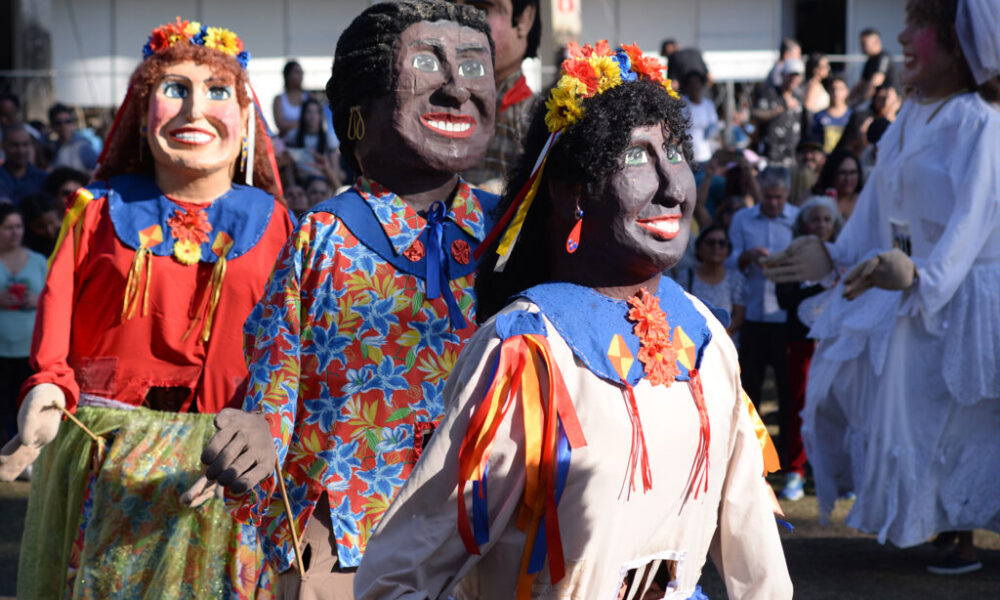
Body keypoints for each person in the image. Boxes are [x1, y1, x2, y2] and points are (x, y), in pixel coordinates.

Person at [353, 40, 791, 599]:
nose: (672, 186)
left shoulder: (702, 334)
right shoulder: (527, 351)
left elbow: (750, 534)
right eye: (635, 157)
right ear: (570, 191)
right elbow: (406, 565)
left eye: (675, 152)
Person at [194, 3, 498, 597]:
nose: (458, 88)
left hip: (480, 526)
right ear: (360, 110)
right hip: (348, 533)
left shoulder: (508, 237)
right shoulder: (325, 235)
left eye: (473, 66)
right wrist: (258, 432)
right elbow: (276, 375)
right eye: (426, 63)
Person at [0, 18, 295, 599]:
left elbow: (287, 347)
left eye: (217, 92)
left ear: (246, 121)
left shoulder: (277, 224)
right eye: (174, 89)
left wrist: (261, 430)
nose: (194, 109)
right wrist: (48, 389)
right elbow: (56, 319)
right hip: (110, 462)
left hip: (224, 466)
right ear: (142, 112)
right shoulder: (94, 211)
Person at [765, 0, 1000, 575]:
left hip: (962, 293)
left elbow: (975, 216)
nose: (903, 36)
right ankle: (939, 520)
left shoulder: (979, 121)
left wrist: (926, 274)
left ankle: (965, 530)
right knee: (916, 412)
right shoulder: (909, 122)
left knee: (963, 413)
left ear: (957, 46)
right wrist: (833, 255)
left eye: (920, 27)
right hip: (909, 291)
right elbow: (876, 210)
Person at [726, 166, 797, 455]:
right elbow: (728, 262)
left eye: (779, 197)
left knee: (788, 391)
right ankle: (752, 454)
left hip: (785, 317)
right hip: (752, 315)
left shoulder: (796, 219)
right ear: (760, 194)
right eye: (768, 197)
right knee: (750, 390)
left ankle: (788, 457)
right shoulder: (743, 219)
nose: (773, 203)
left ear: (787, 195)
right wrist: (746, 256)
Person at [774, 195, 841, 502]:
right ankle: (795, 471)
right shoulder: (792, 255)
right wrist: (821, 288)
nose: (822, 225)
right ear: (803, 223)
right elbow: (786, 299)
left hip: (835, 342)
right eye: (815, 219)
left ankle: (837, 473)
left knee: (838, 406)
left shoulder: (843, 256)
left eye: (827, 219)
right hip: (800, 341)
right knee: (801, 404)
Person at [454, 0, 541, 192]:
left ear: (525, 19)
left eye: (480, 9)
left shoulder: (542, 121)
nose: (460, 22)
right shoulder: (435, 105)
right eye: (452, 8)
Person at [0, 204, 46, 446]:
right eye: (8, 227)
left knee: (26, 408)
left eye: (18, 226)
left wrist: (37, 299)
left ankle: (25, 456)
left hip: (29, 350)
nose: (15, 232)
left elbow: (54, 297)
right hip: (1, 349)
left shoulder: (38, 261)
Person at [678, 224, 746, 340]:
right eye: (710, 243)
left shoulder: (735, 278)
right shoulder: (686, 276)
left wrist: (718, 339)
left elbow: (739, 316)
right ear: (699, 248)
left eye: (722, 243)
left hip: (726, 342)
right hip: (693, 341)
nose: (716, 247)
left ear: (728, 249)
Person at [753, 58, 804, 167]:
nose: (793, 79)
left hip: (791, 155)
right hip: (770, 154)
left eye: (796, 76)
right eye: (790, 75)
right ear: (782, 75)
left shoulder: (799, 96)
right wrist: (781, 108)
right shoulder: (769, 93)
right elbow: (756, 115)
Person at [283, 97, 341, 186]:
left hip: (322, 182)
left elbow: (335, 169)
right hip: (300, 183)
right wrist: (293, 186)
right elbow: (288, 165)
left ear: (320, 116)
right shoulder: (293, 136)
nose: (312, 116)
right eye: (309, 112)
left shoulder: (329, 138)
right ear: (303, 115)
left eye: (316, 112)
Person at [0, 124, 48, 205]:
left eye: (25, 144)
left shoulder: (43, 178)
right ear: (3, 146)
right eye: (14, 145)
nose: (21, 151)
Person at [849, 28, 899, 106]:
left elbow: (875, 83)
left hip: (890, 105)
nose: (861, 48)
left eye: (864, 44)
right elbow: (861, 84)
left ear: (877, 42)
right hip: (878, 104)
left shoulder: (883, 57)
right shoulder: (870, 60)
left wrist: (858, 103)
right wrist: (847, 100)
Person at [681, 70, 719, 164]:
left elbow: (713, 126)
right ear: (686, 87)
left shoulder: (708, 104)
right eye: (691, 84)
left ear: (701, 86)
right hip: (686, 156)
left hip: (705, 155)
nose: (694, 87)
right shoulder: (681, 104)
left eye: (696, 83)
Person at [48, 103, 99, 172]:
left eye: (67, 121)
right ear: (52, 126)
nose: (64, 126)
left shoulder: (83, 146)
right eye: (59, 122)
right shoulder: (51, 147)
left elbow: (96, 172)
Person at [812, 149, 862, 220]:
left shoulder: (864, 201)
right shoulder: (815, 199)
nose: (848, 179)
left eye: (852, 172)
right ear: (832, 173)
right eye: (843, 173)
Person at [811, 76, 852, 153]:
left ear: (847, 91)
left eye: (840, 89)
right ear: (828, 91)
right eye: (833, 89)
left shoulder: (852, 116)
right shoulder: (819, 116)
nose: (836, 93)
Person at [273, 60, 310, 137]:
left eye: (301, 72)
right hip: (287, 146)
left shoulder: (308, 97)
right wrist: (303, 123)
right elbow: (280, 124)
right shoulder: (279, 99)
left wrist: (289, 124)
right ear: (287, 75)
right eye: (296, 72)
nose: (301, 75)